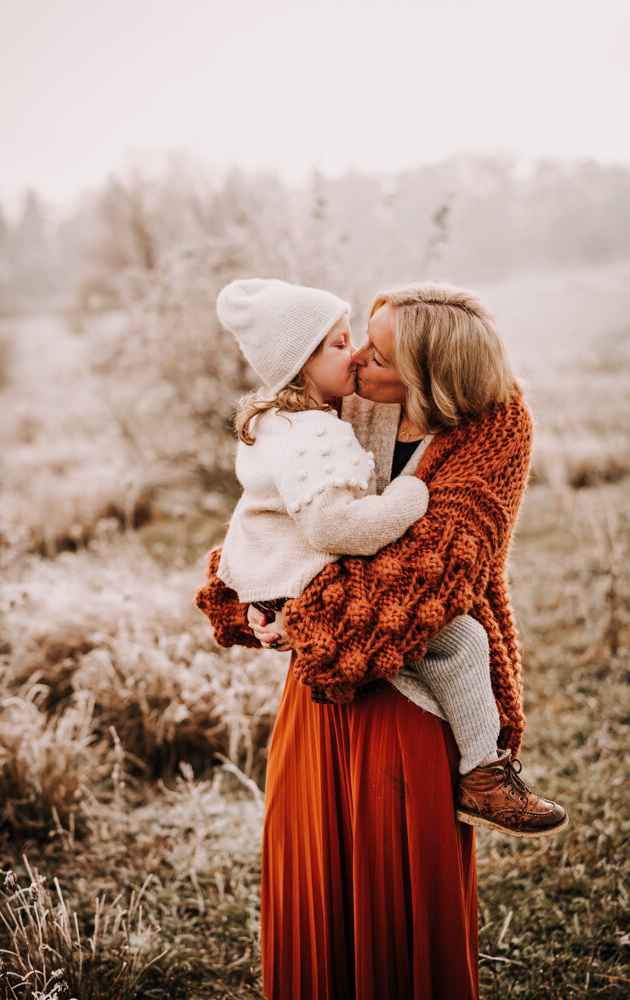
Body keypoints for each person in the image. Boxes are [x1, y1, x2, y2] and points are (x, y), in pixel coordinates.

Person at [197, 282, 568, 1000]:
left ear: (429, 377)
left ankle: (481, 773)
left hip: (409, 696)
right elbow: (276, 509)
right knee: (320, 896)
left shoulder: (495, 428)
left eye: (379, 353)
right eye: (356, 340)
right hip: (321, 691)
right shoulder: (344, 400)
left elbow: (426, 583)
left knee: (397, 910)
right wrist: (247, 595)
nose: (360, 359)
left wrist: (302, 611)